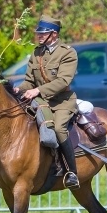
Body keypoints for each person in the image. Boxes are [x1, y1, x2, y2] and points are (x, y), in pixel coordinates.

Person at [15, 15, 80, 189]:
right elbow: (29, 80)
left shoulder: (67, 53)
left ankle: (71, 172)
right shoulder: (37, 53)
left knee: (58, 128)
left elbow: (63, 81)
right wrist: (18, 88)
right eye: (38, 33)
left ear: (54, 34)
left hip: (61, 102)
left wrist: (38, 90)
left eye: (43, 33)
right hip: (41, 102)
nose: (39, 36)